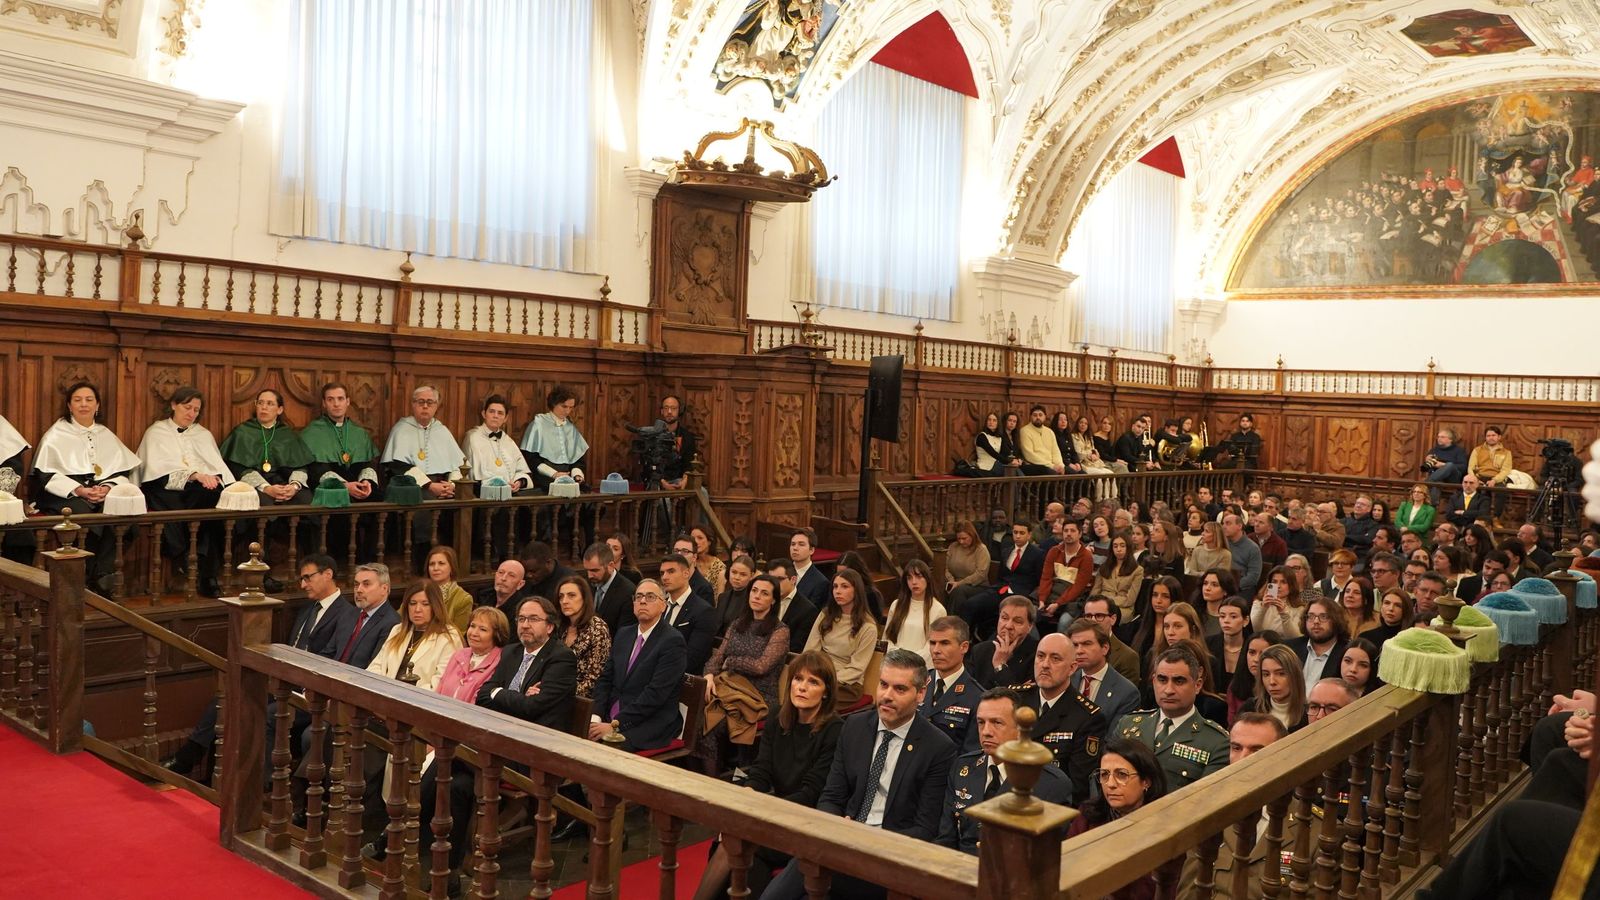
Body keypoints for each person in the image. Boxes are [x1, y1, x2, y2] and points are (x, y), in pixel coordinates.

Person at [763, 650, 956, 900]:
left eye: (899, 689)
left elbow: (925, 828)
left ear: (920, 694)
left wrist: (866, 840)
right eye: (883, 684)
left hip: (888, 860)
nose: (886, 695)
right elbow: (831, 796)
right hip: (840, 844)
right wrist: (837, 828)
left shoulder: (938, 748)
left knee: (807, 875)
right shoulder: (854, 727)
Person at [407, 595, 574, 879]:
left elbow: (535, 707)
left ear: (549, 626)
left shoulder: (560, 657)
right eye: (521, 619)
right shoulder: (510, 653)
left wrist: (504, 696)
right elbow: (485, 695)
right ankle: (450, 871)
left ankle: (400, 830)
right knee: (458, 784)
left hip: (533, 749)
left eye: (533, 619)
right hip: (497, 743)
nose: (525, 625)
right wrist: (513, 696)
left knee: (451, 756)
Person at [692, 653, 842, 900]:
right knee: (734, 842)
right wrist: (749, 793)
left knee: (738, 842)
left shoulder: (834, 731)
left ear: (826, 692)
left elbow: (811, 792)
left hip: (806, 822)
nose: (802, 687)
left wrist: (764, 813)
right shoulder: (777, 716)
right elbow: (761, 770)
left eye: (813, 682)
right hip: (773, 813)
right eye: (798, 679)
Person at [937, 688, 1074, 855]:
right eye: (981, 722)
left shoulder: (1051, 784)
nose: (986, 731)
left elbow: (1045, 856)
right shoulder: (963, 766)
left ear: (1020, 729)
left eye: (997, 723)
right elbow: (946, 838)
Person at [31, 381, 140, 589]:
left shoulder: (106, 434)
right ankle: (96, 578)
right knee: (86, 519)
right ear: (69, 406)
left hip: (101, 489)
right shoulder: (56, 434)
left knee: (125, 517)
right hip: (65, 493)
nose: (84, 404)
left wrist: (107, 488)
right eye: (78, 400)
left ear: (97, 405)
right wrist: (79, 490)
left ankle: (100, 574)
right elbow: (45, 476)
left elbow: (121, 471)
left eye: (89, 400)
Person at [136, 386, 234, 597]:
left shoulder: (203, 434)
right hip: (163, 487)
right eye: (187, 407)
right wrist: (193, 475)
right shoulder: (157, 431)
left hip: (197, 491)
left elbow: (217, 467)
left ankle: (202, 569)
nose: (191, 413)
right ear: (173, 405)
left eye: (196, 410)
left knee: (215, 500)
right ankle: (194, 564)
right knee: (190, 505)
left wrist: (212, 478)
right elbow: (154, 471)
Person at [698, 573, 790, 776]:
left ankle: (715, 782)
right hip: (729, 687)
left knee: (713, 724)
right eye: (754, 591)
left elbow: (761, 667)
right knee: (695, 715)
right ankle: (704, 778)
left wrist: (732, 662)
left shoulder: (780, 631)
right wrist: (710, 676)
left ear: (773, 600)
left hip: (759, 694)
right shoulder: (738, 623)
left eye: (764, 593)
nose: (757, 596)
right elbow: (718, 657)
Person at [589, 579, 688, 751]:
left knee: (606, 749)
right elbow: (606, 679)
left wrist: (614, 725)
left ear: (663, 605)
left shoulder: (672, 641)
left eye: (650, 597)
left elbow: (655, 695)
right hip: (611, 714)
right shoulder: (624, 633)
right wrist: (596, 717)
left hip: (647, 723)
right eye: (639, 597)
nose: (642, 601)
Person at [1115, 647, 1230, 791]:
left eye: (1179, 681)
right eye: (1162, 680)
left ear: (1198, 685)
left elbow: (1205, 800)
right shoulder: (1128, 724)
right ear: (1154, 681)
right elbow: (1104, 777)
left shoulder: (1217, 742)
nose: (1168, 690)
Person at [1015, 632, 1106, 805]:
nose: (1045, 665)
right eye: (1040, 656)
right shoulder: (1015, 700)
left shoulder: (1087, 717)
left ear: (1072, 668)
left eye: (1055, 659)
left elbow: (1077, 788)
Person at [219, 388, 313, 506]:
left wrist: (294, 486)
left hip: (283, 481)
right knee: (264, 504)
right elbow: (237, 467)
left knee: (305, 501)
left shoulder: (287, 434)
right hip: (254, 485)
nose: (264, 407)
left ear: (279, 410)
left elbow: (300, 465)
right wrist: (266, 487)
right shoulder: (242, 432)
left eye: (270, 404)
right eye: (260, 403)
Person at [804, 568, 880, 710]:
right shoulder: (826, 614)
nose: (837, 591)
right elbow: (810, 650)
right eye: (835, 586)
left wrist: (826, 680)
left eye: (844, 586)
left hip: (847, 684)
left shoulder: (868, 627)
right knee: (796, 691)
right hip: (818, 674)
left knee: (813, 697)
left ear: (856, 590)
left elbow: (857, 668)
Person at [366, 581, 462, 691]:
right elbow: (376, 666)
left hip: (421, 702)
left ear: (436, 606)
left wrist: (405, 696)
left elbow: (440, 684)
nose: (417, 610)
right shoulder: (397, 630)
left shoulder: (448, 637)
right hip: (385, 697)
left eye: (425, 604)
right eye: (413, 603)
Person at [918, 616, 983, 753]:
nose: (936, 650)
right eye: (932, 643)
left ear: (964, 647)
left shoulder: (977, 697)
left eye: (944, 643)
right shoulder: (918, 682)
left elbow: (969, 754)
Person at [1067, 617, 1140, 728]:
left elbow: (1115, 739)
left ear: (1105, 648)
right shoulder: (1066, 681)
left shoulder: (1127, 692)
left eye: (1087, 644)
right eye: (1075, 645)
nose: (1079, 651)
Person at [658, 552, 719, 674]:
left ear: (686, 573)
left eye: (671, 571)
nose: (664, 577)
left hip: (682, 678)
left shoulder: (703, 611)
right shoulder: (660, 606)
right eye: (662, 573)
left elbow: (692, 659)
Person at [435, 606, 510, 705]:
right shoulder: (459, 655)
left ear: (497, 635)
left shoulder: (500, 661)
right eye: (472, 626)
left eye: (483, 629)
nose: (474, 633)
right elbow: (439, 689)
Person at [462, 393, 533, 493]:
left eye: (500, 413)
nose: (495, 416)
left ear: (505, 418)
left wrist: (518, 483)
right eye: (492, 412)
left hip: (511, 495)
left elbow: (522, 470)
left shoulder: (508, 440)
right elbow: (473, 476)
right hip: (484, 495)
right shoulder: (473, 437)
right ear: (484, 414)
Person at [554, 574, 611, 698]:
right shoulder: (559, 627)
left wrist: (557, 694)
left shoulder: (597, 628)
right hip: (556, 693)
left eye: (571, 595)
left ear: (584, 598)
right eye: (561, 596)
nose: (564, 601)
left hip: (581, 700)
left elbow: (593, 679)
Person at [965, 595, 1038, 689]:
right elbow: (969, 692)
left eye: (1017, 621)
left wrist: (1000, 666)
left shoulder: (1038, 655)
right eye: (1004, 618)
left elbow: (1022, 699)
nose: (1008, 626)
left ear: (1030, 627)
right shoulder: (980, 650)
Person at [883, 559, 947, 666]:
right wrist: (897, 656)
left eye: (919, 576)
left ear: (927, 579)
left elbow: (933, 646)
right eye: (909, 578)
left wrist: (909, 661)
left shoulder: (938, 610)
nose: (914, 582)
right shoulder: (896, 605)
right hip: (894, 662)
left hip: (921, 666)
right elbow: (886, 638)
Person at [1034, 517, 1092, 631]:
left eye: (1072, 531)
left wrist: (1057, 604)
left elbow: (1078, 587)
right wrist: (1042, 600)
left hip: (1072, 598)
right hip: (1051, 591)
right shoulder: (1054, 551)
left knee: (1064, 622)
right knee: (1029, 614)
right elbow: (1046, 578)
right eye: (1066, 531)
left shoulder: (1086, 556)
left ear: (1080, 534)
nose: (1068, 534)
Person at [1238, 644, 1307, 732]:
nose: (1272, 682)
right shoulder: (1250, 709)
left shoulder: (1308, 714)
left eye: (1281, 673)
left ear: (1295, 675)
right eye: (1266, 674)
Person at [1077, 595, 1142, 683]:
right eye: (1088, 616)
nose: (1092, 621)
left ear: (1113, 619)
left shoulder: (1127, 657)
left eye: (1099, 616)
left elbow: (1125, 695)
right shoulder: (1073, 650)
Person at [1287, 597, 1349, 685]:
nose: (1316, 621)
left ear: (1336, 620)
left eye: (1323, 616)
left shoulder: (1347, 652)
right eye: (1311, 616)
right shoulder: (1290, 648)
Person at [763, 557, 818, 655]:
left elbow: (796, 647)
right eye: (771, 580)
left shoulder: (808, 610)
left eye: (779, 579)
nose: (774, 584)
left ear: (793, 579)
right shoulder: (763, 600)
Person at [583, 542, 636, 635]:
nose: (589, 575)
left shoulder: (627, 592)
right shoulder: (586, 584)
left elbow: (624, 635)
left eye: (595, 570)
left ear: (611, 566)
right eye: (587, 570)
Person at [422, 545, 473, 635]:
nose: (435, 568)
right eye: (432, 564)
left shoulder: (463, 599)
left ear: (452, 568)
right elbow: (400, 617)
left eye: (441, 563)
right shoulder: (419, 591)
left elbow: (458, 635)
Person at [1093, 532, 1145, 621]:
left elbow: (1130, 600)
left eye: (1122, 546)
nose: (1118, 549)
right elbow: (1095, 591)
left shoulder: (1137, 570)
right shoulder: (1104, 567)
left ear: (1128, 548)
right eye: (1115, 546)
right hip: (1100, 605)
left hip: (1123, 609)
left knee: (1105, 619)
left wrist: (1106, 602)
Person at [1132, 576, 1182, 666]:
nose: (1158, 601)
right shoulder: (1138, 625)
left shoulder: (1179, 630)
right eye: (1155, 595)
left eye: (1165, 596)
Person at [943, 520, 992, 611]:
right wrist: (951, 580)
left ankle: (955, 621)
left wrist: (959, 584)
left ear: (972, 535)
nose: (961, 542)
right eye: (959, 539)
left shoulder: (981, 549)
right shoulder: (953, 547)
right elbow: (945, 567)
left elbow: (980, 574)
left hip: (977, 586)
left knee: (959, 591)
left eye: (964, 538)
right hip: (954, 583)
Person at [1206, 597, 1250, 695]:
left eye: (1233, 617)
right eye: (1222, 616)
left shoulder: (1252, 646)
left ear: (1245, 620)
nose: (1226, 621)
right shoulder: (1208, 644)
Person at [1468, 425, 1513, 520]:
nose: (1491, 438)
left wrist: (1494, 480)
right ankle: (1475, 518)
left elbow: (1506, 470)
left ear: (1499, 437)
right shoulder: (1477, 450)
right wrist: (1474, 479)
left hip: (1496, 478)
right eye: (1488, 435)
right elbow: (1471, 467)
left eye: (1493, 435)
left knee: (1502, 492)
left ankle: (1495, 518)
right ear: (1485, 437)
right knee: (1474, 490)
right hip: (1479, 477)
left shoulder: (1506, 452)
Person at [654, 395, 698, 491]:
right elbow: (648, 466)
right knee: (663, 500)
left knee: (702, 492)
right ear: (661, 411)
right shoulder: (653, 435)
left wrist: (685, 480)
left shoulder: (687, 437)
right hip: (657, 481)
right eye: (666, 408)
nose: (669, 412)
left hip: (678, 480)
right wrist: (662, 483)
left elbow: (689, 465)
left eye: (673, 408)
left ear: (679, 411)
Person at [1251, 565, 1304, 638]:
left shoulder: (1299, 608)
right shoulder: (1258, 603)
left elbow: (1295, 637)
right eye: (1274, 582)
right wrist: (1263, 608)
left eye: (1283, 582)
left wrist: (1284, 614)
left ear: (1291, 586)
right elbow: (1254, 629)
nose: (1278, 586)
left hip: (1285, 646)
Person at [713, 553, 757, 635]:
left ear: (751, 576)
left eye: (743, 574)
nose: (736, 577)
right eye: (734, 572)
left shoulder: (753, 600)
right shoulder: (723, 597)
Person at [1421, 428, 1468, 502]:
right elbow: (1426, 469)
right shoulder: (1434, 450)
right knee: (1436, 484)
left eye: (1442, 437)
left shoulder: (1459, 451)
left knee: (1449, 465)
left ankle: (1425, 484)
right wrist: (1427, 460)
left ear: (1450, 440)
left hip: (1453, 478)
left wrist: (1443, 465)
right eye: (1438, 437)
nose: (1439, 439)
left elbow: (1463, 467)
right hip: (1438, 477)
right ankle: (1432, 508)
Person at [1017, 405, 1066, 475]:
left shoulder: (1049, 432)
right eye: (1035, 415)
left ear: (1045, 416)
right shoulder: (1024, 431)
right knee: (1051, 473)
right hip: (1035, 465)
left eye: (1040, 415)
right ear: (1030, 417)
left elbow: (1055, 451)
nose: (1038, 417)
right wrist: (1052, 466)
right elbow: (1029, 455)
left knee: (1075, 473)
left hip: (1051, 465)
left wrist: (1060, 466)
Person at [789, 527, 829, 607]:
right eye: (793, 544)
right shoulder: (783, 571)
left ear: (811, 550)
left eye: (801, 544)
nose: (795, 548)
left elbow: (812, 612)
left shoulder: (820, 582)